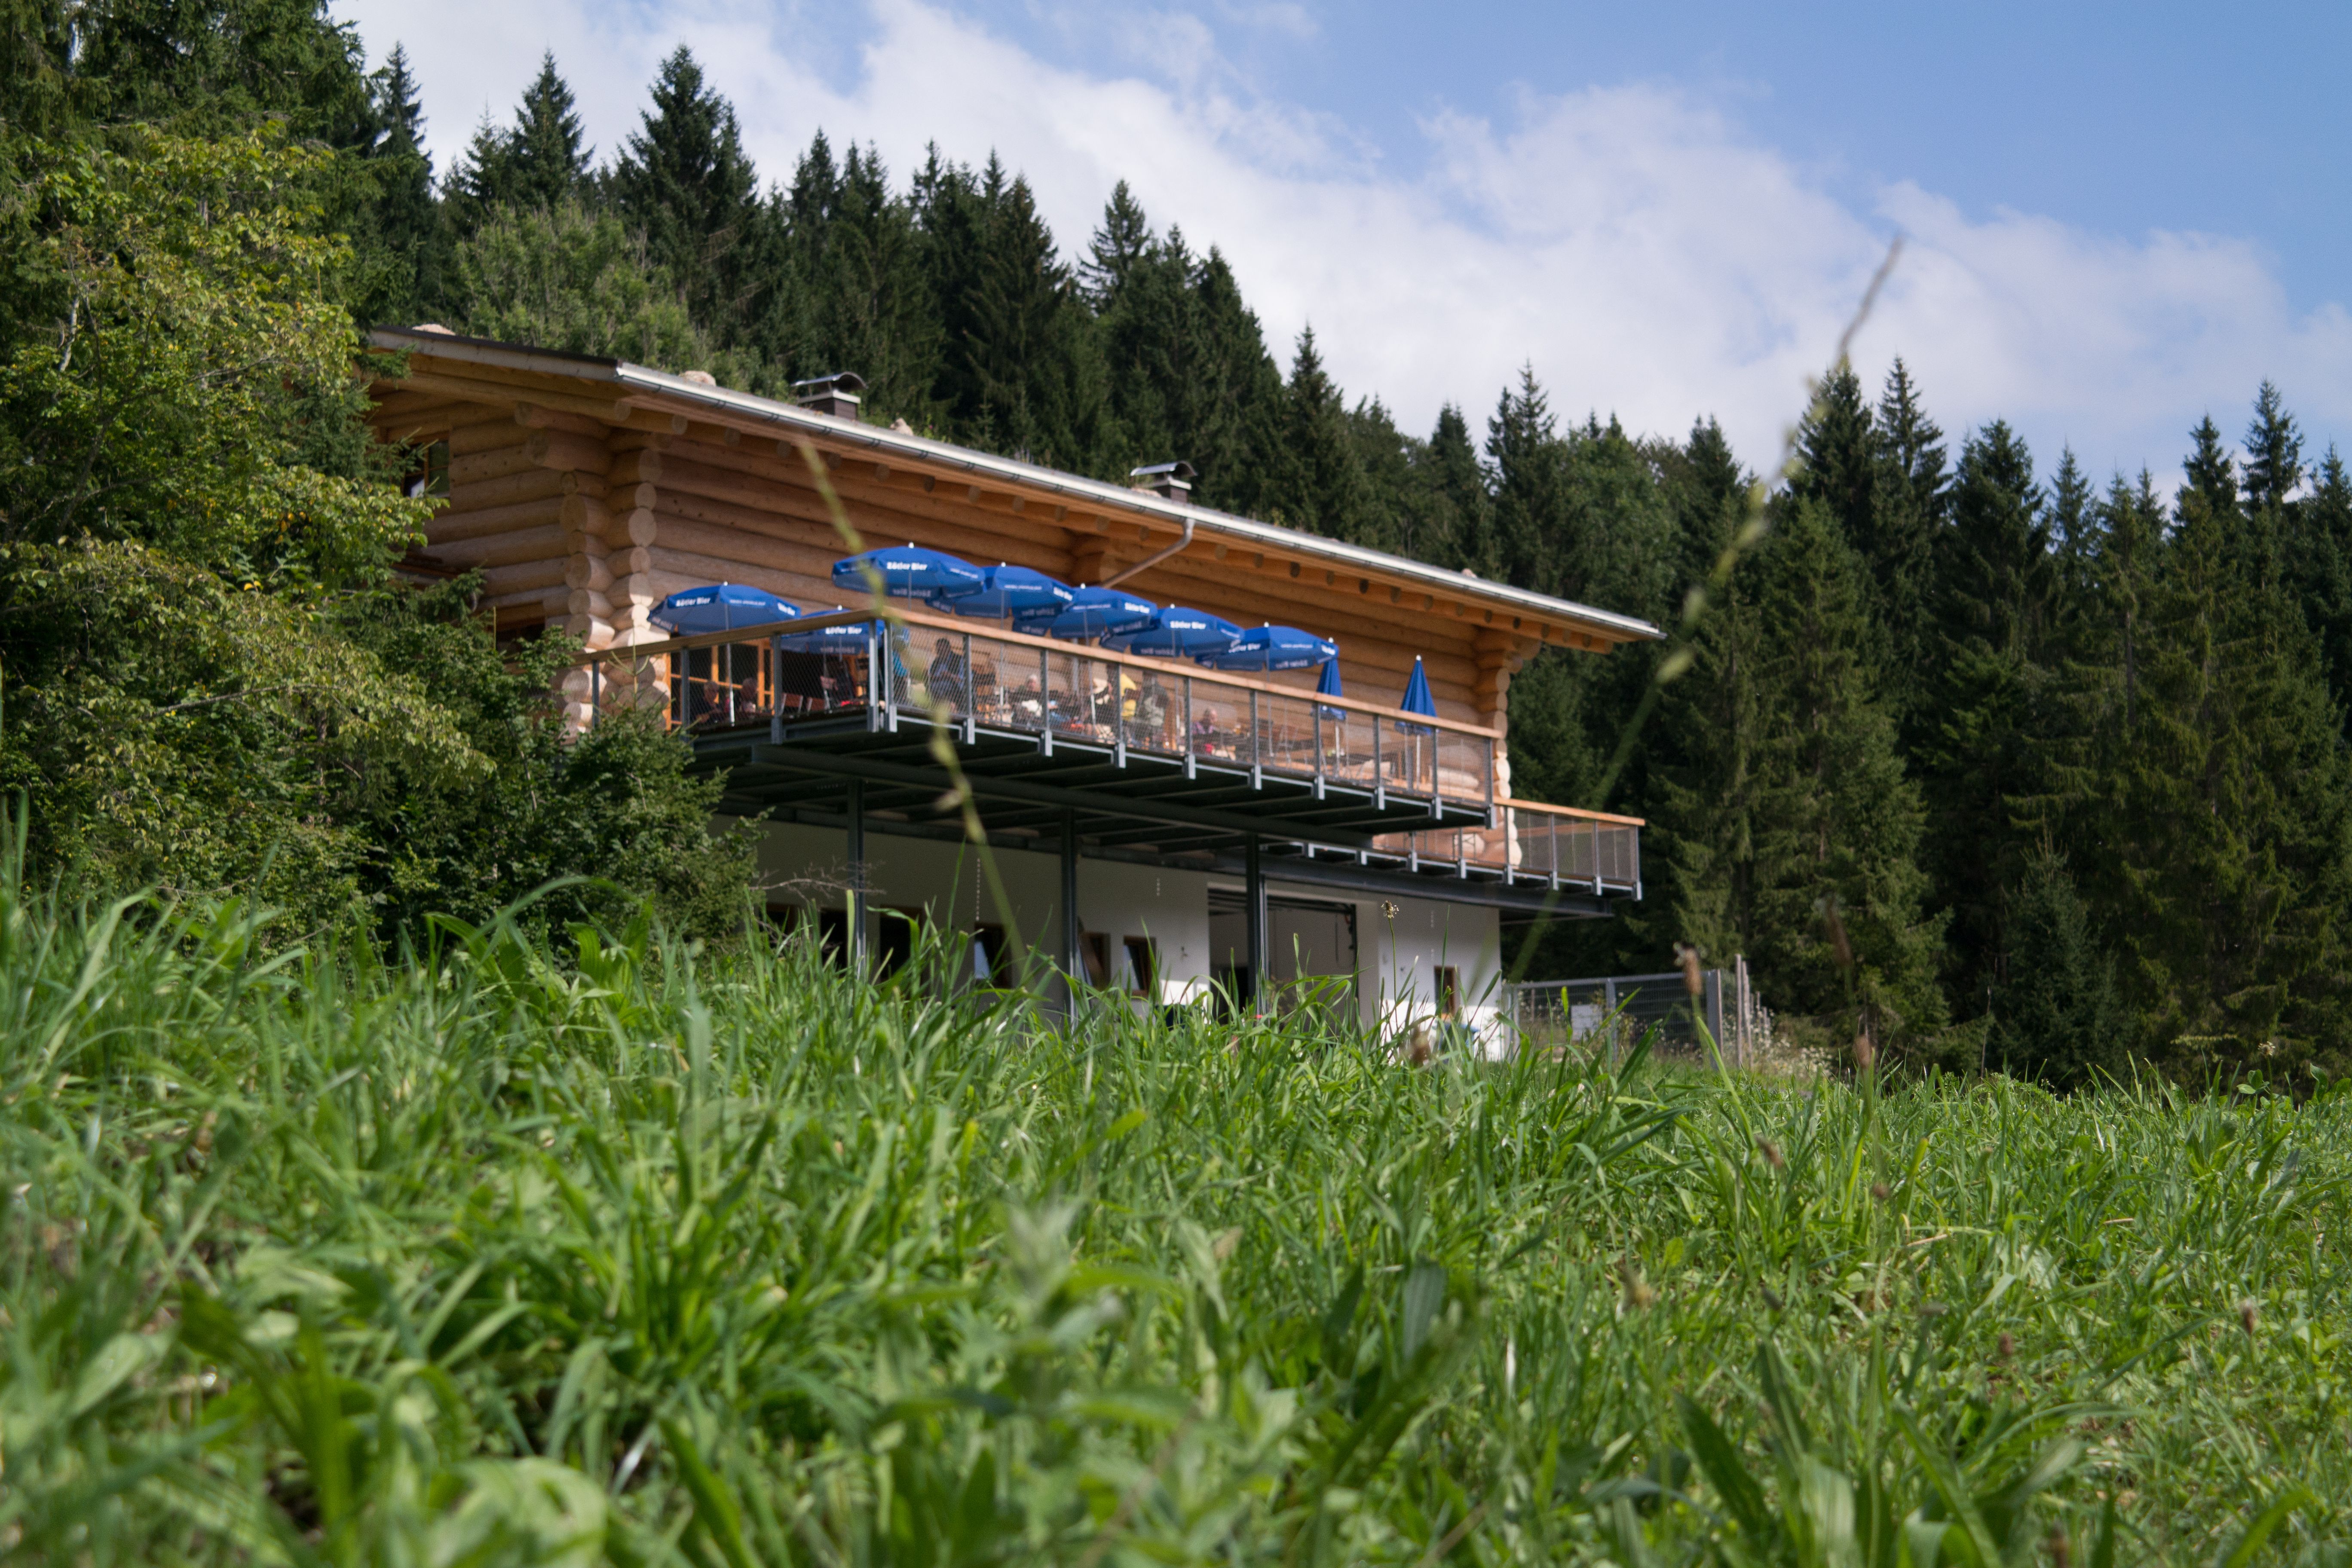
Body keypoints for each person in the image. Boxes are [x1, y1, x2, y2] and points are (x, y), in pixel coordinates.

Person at [927, 637, 968, 712]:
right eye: (938, 650)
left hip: (955, 688)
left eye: (942, 650)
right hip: (937, 689)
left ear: (948, 648)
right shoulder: (936, 662)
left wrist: (950, 675)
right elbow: (932, 675)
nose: (940, 653)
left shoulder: (959, 659)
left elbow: (966, 679)